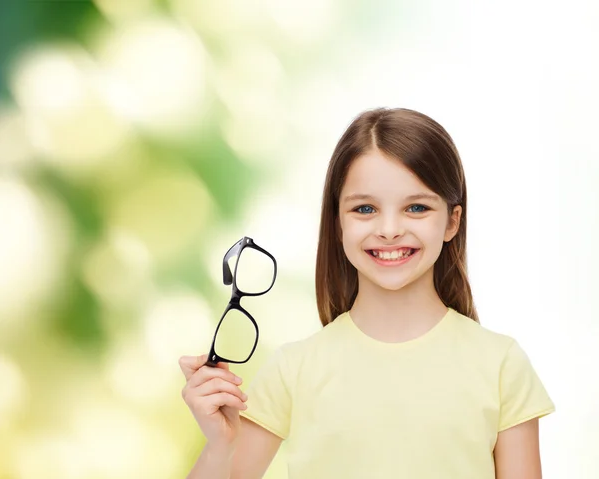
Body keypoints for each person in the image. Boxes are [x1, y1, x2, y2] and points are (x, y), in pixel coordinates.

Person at [179, 108, 555, 479]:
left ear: (452, 221)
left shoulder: (501, 364)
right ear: (337, 222)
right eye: (365, 208)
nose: (389, 229)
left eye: (417, 207)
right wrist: (219, 445)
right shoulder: (293, 369)